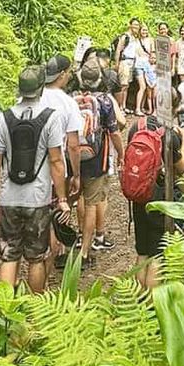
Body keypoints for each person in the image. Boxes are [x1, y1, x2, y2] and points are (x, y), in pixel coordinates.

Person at [0, 65, 68, 293]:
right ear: (41, 88)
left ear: (20, 89)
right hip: (38, 198)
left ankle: (4, 308)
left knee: (9, 255)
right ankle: (34, 307)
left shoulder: (3, 119)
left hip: (9, 197)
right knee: (36, 257)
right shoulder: (51, 118)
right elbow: (56, 161)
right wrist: (62, 199)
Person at [125, 110, 184, 288]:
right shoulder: (169, 134)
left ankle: (138, 297)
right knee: (157, 255)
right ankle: (153, 300)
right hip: (159, 197)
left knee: (142, 252)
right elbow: (181, 168)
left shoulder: (137, 126)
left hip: (138, 194)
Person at [73, 64, 123, 267]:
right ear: (100, 79)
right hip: (96, 159)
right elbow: (114, 132)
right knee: (91, 203)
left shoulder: (71, 99)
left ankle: (64, 245)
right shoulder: (104, 101)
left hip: (72, 158)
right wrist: (121, 154)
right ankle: (85, 252)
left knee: (69, 199)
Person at [42, 53, 83, 266]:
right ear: (62, 75)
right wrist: (76, 174)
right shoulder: (67, 103)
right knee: (56, 212)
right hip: (56, 168)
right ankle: (53, 258)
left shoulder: (30, 97)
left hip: (29, 168)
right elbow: (73, 145)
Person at [115, 18, 145, 111]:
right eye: (135, 24)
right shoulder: (125, 37)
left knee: (127, 85)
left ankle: (124, 106)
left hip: (132, 63)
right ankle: (119, 107)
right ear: (130, 25)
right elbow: (118, 50)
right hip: (124, 62)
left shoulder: (134, 38)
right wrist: (117, 64)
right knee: (123, 85)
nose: (136, 27)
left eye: (138, 25)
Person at [134, 23, 154, 116]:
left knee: (147, 87)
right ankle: (137, 108)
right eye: (143, 30)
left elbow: (152, 53)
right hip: (139, 65)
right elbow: (135, 53)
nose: (144, 32)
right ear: (140, 31)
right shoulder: (136, 41)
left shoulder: (150, 40)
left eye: (146, 30)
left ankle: (142, 107)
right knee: (142, 86)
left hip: (148, 66)